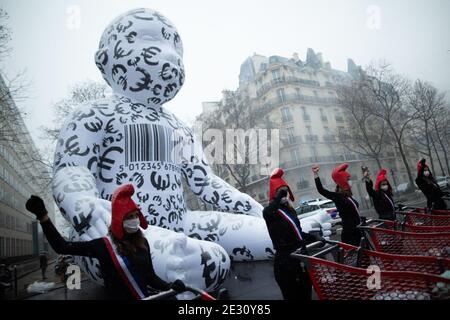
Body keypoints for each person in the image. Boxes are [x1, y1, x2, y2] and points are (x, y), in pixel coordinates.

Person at [26, 183, 185, 300]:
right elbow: (62, 247)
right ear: (118, 220)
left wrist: (169, 286)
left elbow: (150, 277)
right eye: (129, 217)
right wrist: (44, 217)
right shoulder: (103, 246)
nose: (134, 220)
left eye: (136, 215)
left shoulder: (143, 243)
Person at [263, 168, 319, 300]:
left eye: (286, 191)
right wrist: (277, 198)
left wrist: (313, 237)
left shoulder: (290, 211)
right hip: (285, 263)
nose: (284, 195)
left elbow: (297, 233)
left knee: (306, 294)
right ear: (275, 195)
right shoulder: (272, 212)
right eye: (280, 192)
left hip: (300, 259)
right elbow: (267, 213)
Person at [312, 164, 362, 246]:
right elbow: (321, 190)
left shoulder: (349, 196)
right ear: (343, 181)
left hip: (358, 230)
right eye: (348, 179)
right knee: (355, 256)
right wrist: (316, 175)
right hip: (350, 233)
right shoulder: (338, 197)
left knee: (363, 256)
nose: (350, 181)